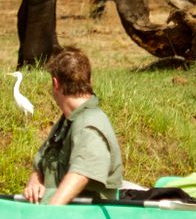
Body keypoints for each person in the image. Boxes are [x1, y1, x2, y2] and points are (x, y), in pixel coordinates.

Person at [23, 47, 124, 205]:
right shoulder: (68, 120)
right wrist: (35, 180)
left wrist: (46, 214)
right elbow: (43, 162)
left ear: (55, 84)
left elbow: (80, 175)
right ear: (88, 81)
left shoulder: (90, 126)